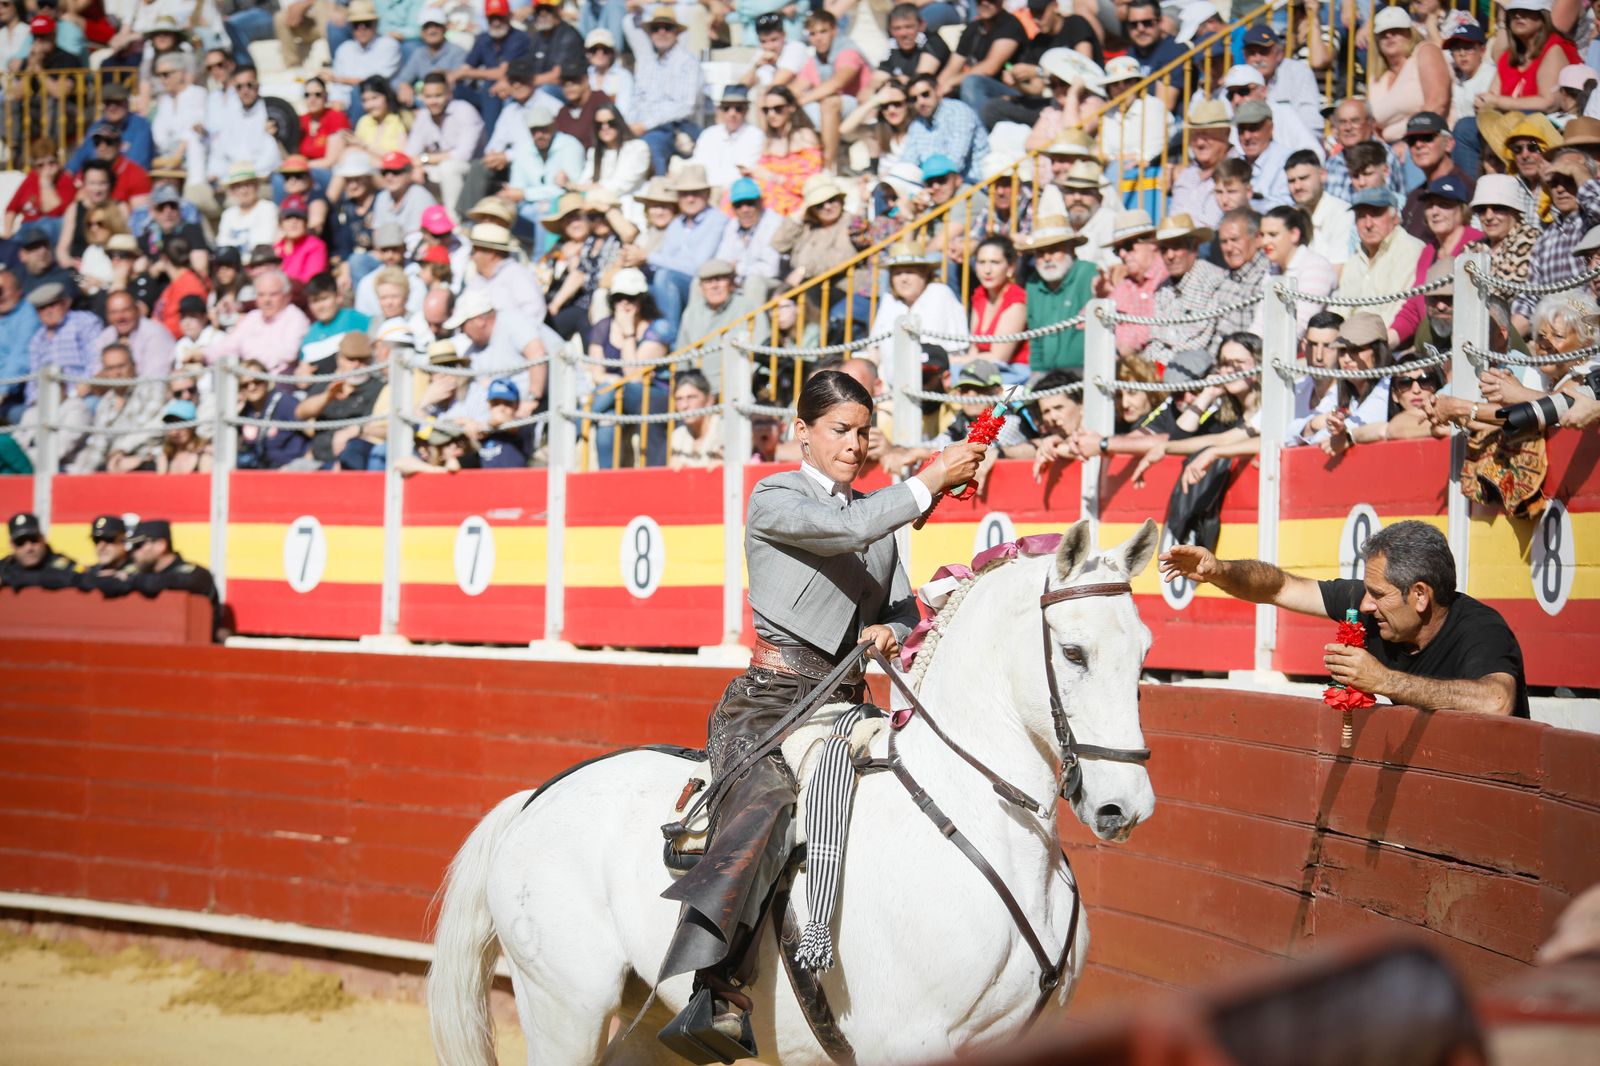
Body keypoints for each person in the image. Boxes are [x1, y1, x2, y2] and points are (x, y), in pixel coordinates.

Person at [657, 369, 986, 1054]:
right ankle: (717, 989)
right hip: (771, 705)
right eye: (840, 430)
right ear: (801, 432)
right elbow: (844, 529)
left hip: (846, 703)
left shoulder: (878, 518)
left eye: (865, 432)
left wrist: (894, 626)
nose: (856, 444)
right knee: (768, 802)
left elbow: (896, 600)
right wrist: (930, 478)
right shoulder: (775, 496)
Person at [1159, 520, 1528, 717]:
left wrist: (1384, 681)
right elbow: (1279, 587)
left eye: (1379, 595)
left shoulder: (1481, 628)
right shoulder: (1372, 605)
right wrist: (1220, 570)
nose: (1364, 605)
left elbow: (1496, 701)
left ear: (1420, 595)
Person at [622, 5, 704, 175]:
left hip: (677, 126)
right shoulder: (647, 63)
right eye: (656, 28)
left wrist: (644, 125)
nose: (661, 32)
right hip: (645, 125)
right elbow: (636, 101)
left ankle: (658, 188)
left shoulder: (688, 62)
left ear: (676, 32)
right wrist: (630, 125)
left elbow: (686, 106)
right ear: (650, 33)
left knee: (650, 144)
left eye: (667, 28)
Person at [1336, 189, 1427, 322]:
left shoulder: (1410, 250)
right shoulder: (1355, 258)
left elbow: (1396, 313)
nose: (1368, 224)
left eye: (1376, 214)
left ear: (1395, 217)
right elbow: (1339, 309)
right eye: (1361, 216)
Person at [1367, 5, 1451, 143]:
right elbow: (1374, 125)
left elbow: (1437, 104)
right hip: (1389, 148)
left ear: (1410, 33)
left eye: (1396, 30)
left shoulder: (1425, 52)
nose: (1389, 36)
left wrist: (1408, 142)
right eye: (1383, 33)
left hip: (1427, 140)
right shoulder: (1377, 77)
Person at [1021, 215, 1094, 373]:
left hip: (1085, 372)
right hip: (1046, 374)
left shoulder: (1089, 274)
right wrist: (1037, 373)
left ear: (1072, 249)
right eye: (1040, 252)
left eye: (1054, 250)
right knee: (1009, 397)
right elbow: (1035, 338)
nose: (1047, 258)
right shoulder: (1033, 283)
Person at [126, 518, 223, 636]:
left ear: (160, 545)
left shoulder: (195, 574)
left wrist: (128, 580)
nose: (133, 552)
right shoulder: (139, 572)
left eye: (138, 545)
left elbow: (153, 584)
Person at [1, 512, 78, 590]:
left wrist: (11, 578)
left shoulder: (63, 565)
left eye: (33, 540)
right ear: (12, 544)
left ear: (43, 538)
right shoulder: (4, 567)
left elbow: (85, 578)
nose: (29, 548)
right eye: (20, 542)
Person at [668, 369, 722, 469]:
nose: (684, 405)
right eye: (679, 399)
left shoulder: (724, 430)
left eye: (691, 397)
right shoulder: (678, 436)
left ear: (709, 400)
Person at [76, 514, 135, 595]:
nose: (101, 547)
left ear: (124, 540)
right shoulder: (90, 571)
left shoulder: (141, 568)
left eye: (108, 539)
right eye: (96, 540)